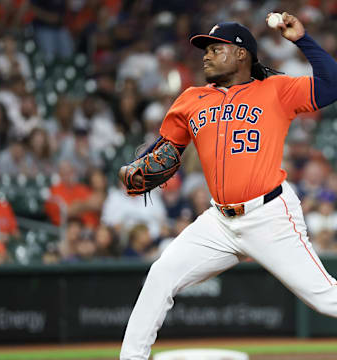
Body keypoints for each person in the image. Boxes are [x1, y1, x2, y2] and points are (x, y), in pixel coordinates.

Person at [119, 12, 337, 360]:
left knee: (327, 299)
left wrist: (301, 40)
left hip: (269, 216)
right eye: (204, 49)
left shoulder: (276, 90)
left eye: (215, 48)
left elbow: (332, 84)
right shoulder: (191, 99)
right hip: (219, 221)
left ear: (241, 55)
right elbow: (164, 151)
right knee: (161, 274)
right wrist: (137, 166)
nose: (205, 54)